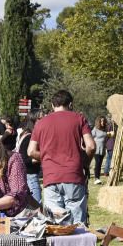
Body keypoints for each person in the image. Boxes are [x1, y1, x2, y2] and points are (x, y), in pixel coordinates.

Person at [28, 90, 95, 225]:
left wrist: (49, 157)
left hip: (51, 178)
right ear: (70, 104)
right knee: (77, 227)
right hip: (74, 177)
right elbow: (91, 146)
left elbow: (31, 151)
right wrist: (85, 163)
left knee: (55, 226)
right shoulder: (79, 119)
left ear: (53, 105)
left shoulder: (40, 123)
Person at [17, 115, 42, 204]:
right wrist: (37, 159)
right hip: (30, 175)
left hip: (29, 175)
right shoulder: (29, 137)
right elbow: (22, 158)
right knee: (37, 205)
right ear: (34, 122)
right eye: (40, 119)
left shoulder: (27, 135)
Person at [91, 116, 108, 184]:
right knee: (97, 163)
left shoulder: (105, 129)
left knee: (100, 164)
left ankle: (98, 178)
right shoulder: (95, 129)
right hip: (97, 149)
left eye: (103, 121)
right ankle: (96, 178)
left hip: (102, 149)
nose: (102, 122)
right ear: (98, 122)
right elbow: (90, 136)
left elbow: (106, 138)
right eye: (101, 121)